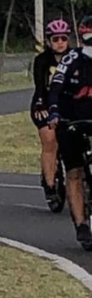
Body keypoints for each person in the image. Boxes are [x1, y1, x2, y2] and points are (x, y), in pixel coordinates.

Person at [47, 15, 92, 246]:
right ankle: (81, 224)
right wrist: (53, 112)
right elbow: (54, 88)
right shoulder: (71, 59)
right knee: (74, 171)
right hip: (71, 118)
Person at [32, 19, 71, 209]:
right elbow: (40, 86)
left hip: (69, 105)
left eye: (64, 38)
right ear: (49, 41)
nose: (60, 42)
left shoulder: (75, 58)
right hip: (45, 104)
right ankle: (50, 185)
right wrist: (41, 104)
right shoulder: (42, 60)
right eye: (56, 39)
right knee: (50, 140)